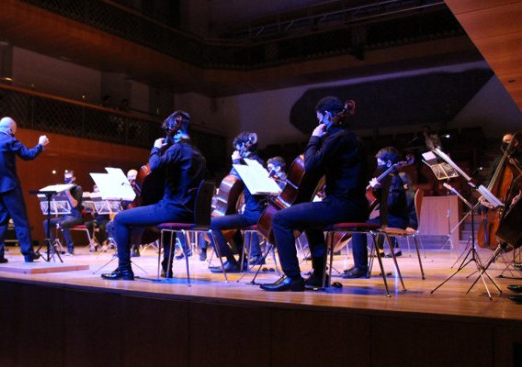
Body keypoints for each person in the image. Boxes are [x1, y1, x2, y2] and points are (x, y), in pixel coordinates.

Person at [261, 96, 368, 292]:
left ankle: (292, 278)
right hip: (357, 205)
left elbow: (310, 165)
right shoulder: (354, 139)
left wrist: (314, 137)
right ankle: (319, 275)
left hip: (342, 205)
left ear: (327, 116)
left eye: (319, 119)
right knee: (311, 221)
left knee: (280, 218)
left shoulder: (337, 138)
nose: (319, 124)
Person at [102, 110, 207, 280]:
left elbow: (155, 165)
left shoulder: (178, 149)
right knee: (137, 218)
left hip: (173, 209)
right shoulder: (199, 155)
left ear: (175, 129)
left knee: (120, 218)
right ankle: (166, 267)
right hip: (191, 213)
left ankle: (124, 269)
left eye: (169, 131)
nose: (168, 135)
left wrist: (156, 148)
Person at [0, 117, 49, 264]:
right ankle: (28, 255)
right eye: (14, 131)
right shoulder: (9, 141)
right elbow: (28, 155)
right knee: (20, 221)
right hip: (10, 187)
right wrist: (40, 145)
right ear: (10, 130)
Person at [342, 146, 409, 278]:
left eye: (380, 161)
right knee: (359, 225)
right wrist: (379, 189)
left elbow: (390, 203)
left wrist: (379, 189)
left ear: (389, 163)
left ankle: (361, 268)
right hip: (390, 218)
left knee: (357, 228)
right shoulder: (390, 178)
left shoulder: (394, 179)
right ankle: (360, 266)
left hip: (395, 220)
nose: (377, 164)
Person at [208, 132, 267, 273]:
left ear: (243, 147)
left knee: (212, 224)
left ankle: (231, 262)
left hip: (254, 214)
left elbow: (237, 176)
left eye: (238, 147)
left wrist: (235, 161)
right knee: (234, 224)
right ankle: (242, 261)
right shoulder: (257, 161)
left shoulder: (251, 163)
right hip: (259, 212)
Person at [42, 170, 84, 255]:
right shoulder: (63, 188)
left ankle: (70, 249)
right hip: (65, 216)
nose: (67, 180)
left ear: (74, 178)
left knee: (63, 223)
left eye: (69, 178)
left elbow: (75, 205)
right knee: (46, 222)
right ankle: (52, 248)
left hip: (75, 216)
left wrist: (67, 193)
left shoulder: (78, 189)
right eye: (66, 178)